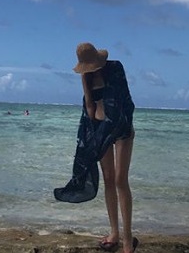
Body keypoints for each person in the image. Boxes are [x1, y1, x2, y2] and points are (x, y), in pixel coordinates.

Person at [54, 42, 138, 253]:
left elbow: (125, 101)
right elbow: (90, 108)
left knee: (120, 180)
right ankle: (114, 233)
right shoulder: (86, 77)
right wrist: (92, 128)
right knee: (108, 180)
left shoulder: (115, 68)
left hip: (122, 128)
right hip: (100, 130)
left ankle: (128, 239)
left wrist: (115, 120)